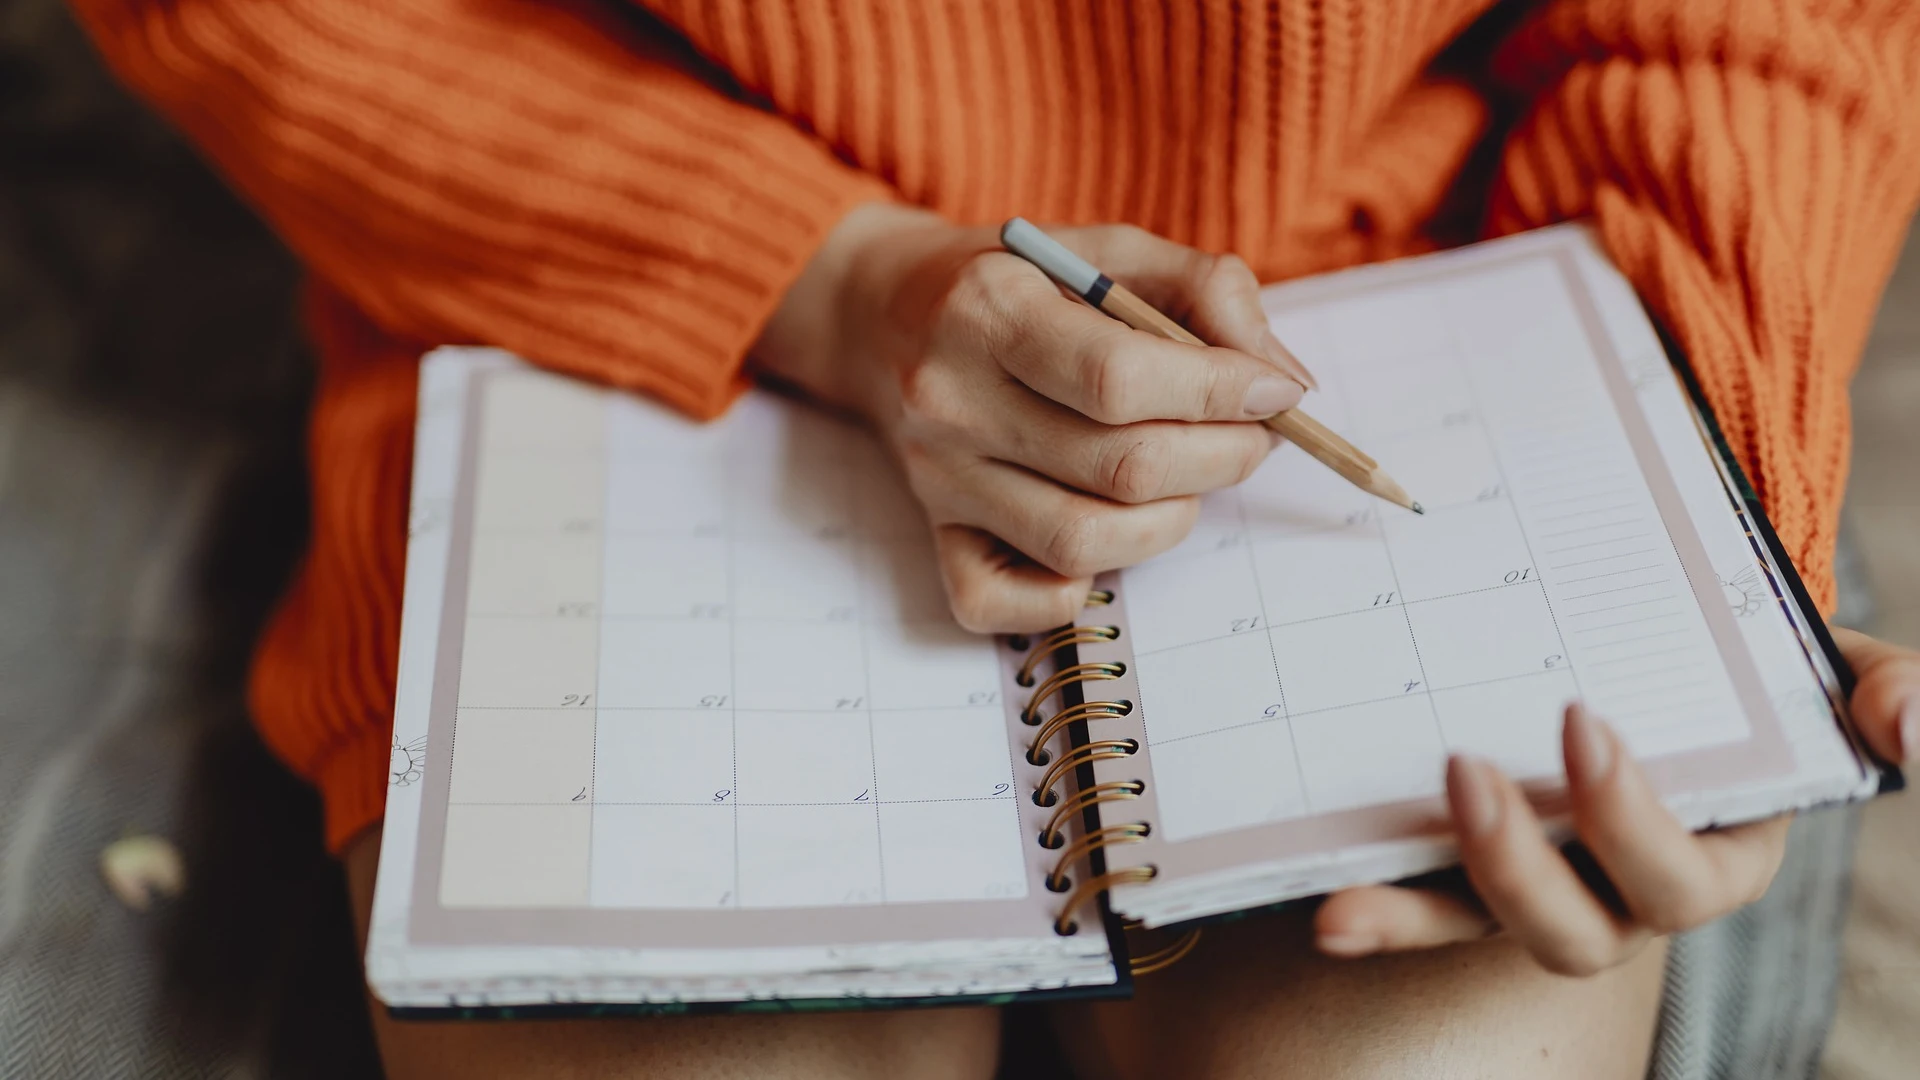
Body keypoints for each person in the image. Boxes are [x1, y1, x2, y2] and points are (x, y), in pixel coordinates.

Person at [67, 0, 1920, 1076]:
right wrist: (829, 276)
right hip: (612, 298)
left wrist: (1694, 503)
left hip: (1411, 292)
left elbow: (1769, 34)